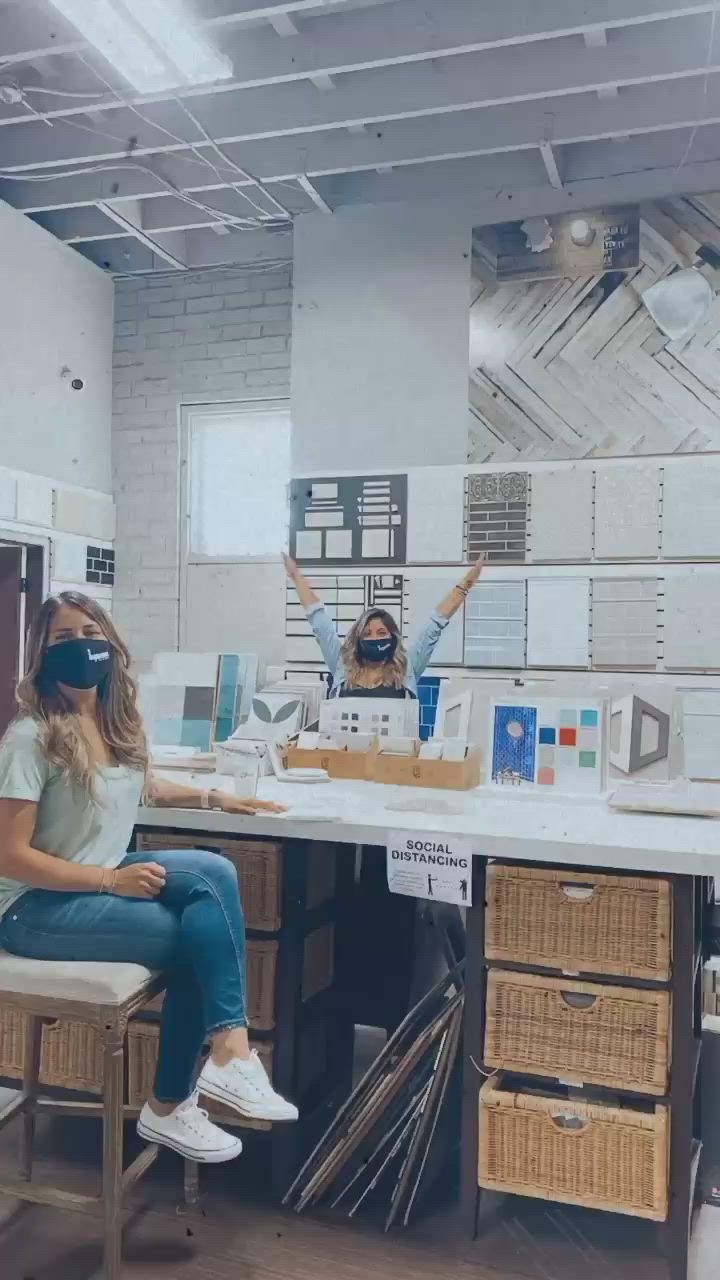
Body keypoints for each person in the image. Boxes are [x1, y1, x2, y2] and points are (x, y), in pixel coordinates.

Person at [0, 591, 297, 1166]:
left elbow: (141, 785)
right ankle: (181, 1095)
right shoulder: (30, 737)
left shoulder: (108, 722)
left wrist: (215, 796)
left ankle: (217, 1066)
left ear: (109, 643)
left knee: (213, 874)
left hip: (87, 890)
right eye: (64, 639)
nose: (83, 646)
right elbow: (8, 857)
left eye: (91, 632)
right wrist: (111, 883)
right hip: (30, 910)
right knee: (199, 940)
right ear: (42, 653)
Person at [282, 553, 485, 699]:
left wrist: (467, 583)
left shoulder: (407, 668)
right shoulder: (342, 664)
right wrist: (295, 576)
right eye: (367, 633)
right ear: (358, 638)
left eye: (381, 632)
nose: (374, 638)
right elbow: (320, 623)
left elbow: (435, 624)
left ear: (392, 637)